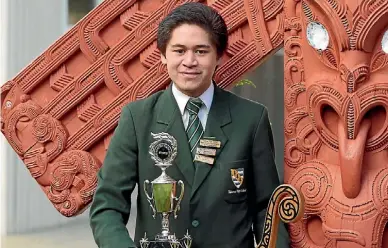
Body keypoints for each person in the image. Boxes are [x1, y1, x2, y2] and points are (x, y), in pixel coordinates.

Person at [89, 2, 290, 248]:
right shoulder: (137, 118)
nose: (189, 61)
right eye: (179, 50)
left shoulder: (251, 119)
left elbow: (268, 209)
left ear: (218, 56)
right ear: (163, 55)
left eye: (201, 51)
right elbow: (107, 207)